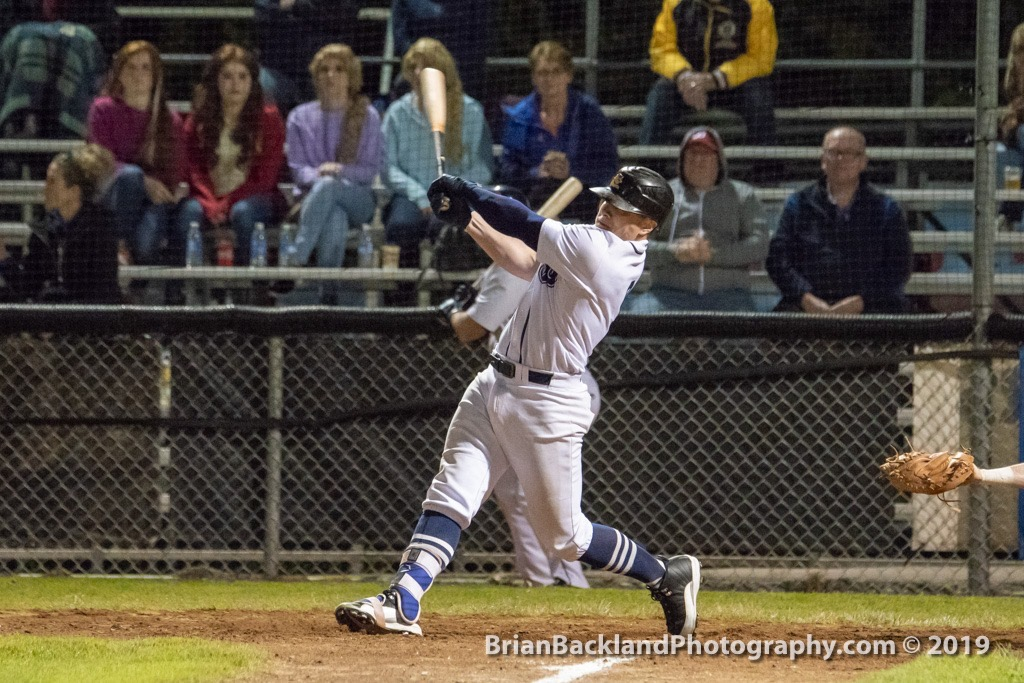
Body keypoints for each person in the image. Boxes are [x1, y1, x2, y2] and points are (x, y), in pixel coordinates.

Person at [336, 166, 701, 637]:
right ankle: (403, 599)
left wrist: (469, 192)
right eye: (607, 202)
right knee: (451, 493)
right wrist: (470, 220)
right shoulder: (587, 242)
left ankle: (664, 576)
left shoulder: (605, 255)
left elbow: (525, 222)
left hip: (549, 402)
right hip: (494, 382)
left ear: (646, 227)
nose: (605, 211)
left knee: (566, 538)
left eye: (620, 210)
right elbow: (525, 262)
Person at [765, 126, 912, 315]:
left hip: (872, 309)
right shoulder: (798, 203)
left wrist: (861, 302)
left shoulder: (886, 208)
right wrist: (805, 298)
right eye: (834, 152)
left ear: (863, 162)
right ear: (823, 160)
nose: (841, 159)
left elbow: (899, 267)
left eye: (850, 153)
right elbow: (777, 260)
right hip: (806, 308)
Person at [622, 126, 768, 312]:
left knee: (746, 328)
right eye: (692, 153)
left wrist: (714, 254)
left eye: (706, 153)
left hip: (729, 294)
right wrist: (674, 251)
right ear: (681, 161)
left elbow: (760, 245)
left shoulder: (742, 195)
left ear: (719, 160)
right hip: (668, 292)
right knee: (641, 317)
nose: (698, 160)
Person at [381, 38, 493, 270]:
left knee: (449, 227)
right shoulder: (396, 113)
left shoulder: (471, 111)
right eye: (413, 67)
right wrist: (421, 195)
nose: (418, 72)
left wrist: (455, 189)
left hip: (455, 194)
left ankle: (447, 297)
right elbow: (388, 167)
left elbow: (483, 167)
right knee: (401, 226)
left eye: (426, 66)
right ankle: (403, 298)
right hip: (411, 195)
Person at [285, 44, 383, 304]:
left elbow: (369, 171)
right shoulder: (298, 117)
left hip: (357, 198)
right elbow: (297, 170)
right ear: (315, 76)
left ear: (351, 76)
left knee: (330, 187)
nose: (331, 76)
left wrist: (340, 171)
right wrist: (320, 176)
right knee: (334, 218)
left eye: (339, 70)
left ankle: (296, 257)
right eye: (324, 70)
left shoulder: (368, 116)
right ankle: (327, 296)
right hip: (311, 201)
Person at [178, 44, 286, 266]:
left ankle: (252, 286)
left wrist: (227, 203)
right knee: (188, 213)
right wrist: (210, 202)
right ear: (216, 80)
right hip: (208, 197)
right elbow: (192, 169)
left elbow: (265, 178)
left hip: (254, 197)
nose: (235, 84)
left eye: (242, 77)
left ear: (252, 81)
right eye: (227, 76)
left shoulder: (269, 118)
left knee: (243, 213)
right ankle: (181, 290)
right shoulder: (199, 118)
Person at [88, 40, 187, 273]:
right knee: (131, 176)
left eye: (145, 68)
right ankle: (117, 246)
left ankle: (137, 288)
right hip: (111, 194)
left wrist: (158, 187)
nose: (138, 74)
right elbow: (101, 160)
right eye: (130, 67)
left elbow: (176, 168)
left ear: (155, 76)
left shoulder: (169, 120)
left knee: (145, 245)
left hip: (154, 199)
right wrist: (144, 181)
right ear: (119, 73)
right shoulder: (102, 110)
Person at [498, 40, 618, 221]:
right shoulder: (519, 117)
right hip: (535, 197)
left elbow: (608, 165)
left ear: (568, 75)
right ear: (533, 77)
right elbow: (507, 169)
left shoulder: (588, 112)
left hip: (583, 199)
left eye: (556, 72)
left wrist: (571, 170)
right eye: (542, 73)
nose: (549, 79)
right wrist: (538, 171)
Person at [639, 0, 778, 149]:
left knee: (757, 95)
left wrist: (717, 79)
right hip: (687, 88)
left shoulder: (756, 5)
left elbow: (761, 58)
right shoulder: (675, 4)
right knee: (661, 93)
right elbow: (661, 51)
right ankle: (648, 168)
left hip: (735, 87)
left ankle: (766, 169)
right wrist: (684, 77)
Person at [0, 144, 120, 303]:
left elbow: (101, 289)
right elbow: (28, 287)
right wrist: (3, 258)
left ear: (74, 191)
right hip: (55, 319)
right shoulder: (43, 228)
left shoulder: (100, 227)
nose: (45, 188)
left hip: (92, 319)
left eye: (52, 181)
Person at [254, 0, 359, 115]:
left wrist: (295, 5)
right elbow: (263, 13)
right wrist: (313, 10)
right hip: (278, 71)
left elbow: (347, 12)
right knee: (260, 88)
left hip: (323, 73)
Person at [389, 0, 491, 101]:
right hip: (418, 75)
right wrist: (421, 64)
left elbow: (478, 41)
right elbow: (401, 40)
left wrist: (451, 69)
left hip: (461, 76)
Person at [998, 23, 1024, 226]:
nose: (1021, 57)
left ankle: (1008, 215)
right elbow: (1011, 112)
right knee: (1011, 158)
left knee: (1015, 159)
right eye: (1019, 50)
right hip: (1019, 132)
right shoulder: (1014, 79)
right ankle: (1008, 216)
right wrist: (1010, 119)